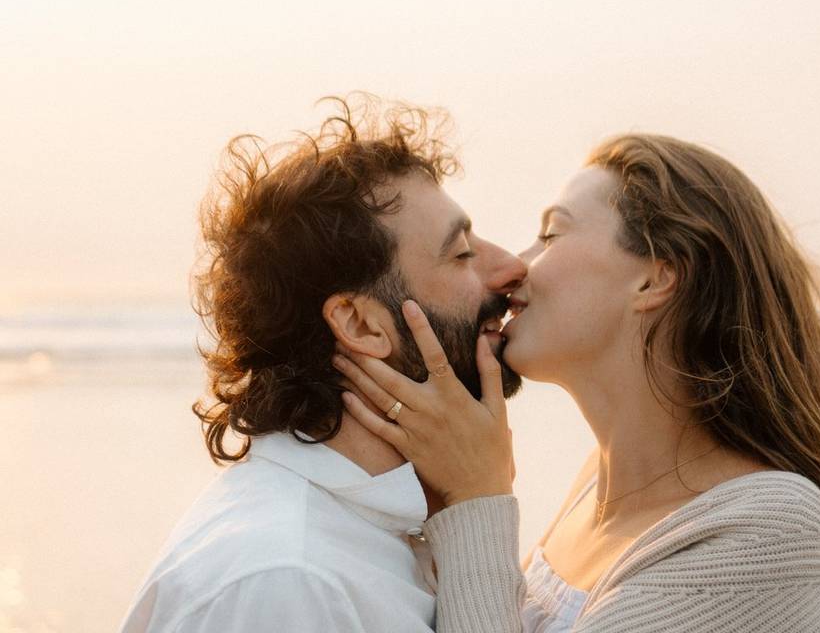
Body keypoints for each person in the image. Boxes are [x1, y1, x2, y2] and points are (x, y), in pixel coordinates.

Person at [336, 134, 820, 632]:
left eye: (552, 234)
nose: (517, 263)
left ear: (655, 279)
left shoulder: (770, 528)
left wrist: (477, 501)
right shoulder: (595, 488)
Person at [118, 95, 526, 632]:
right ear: (359, 325)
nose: (511, 267)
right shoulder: (287, 582)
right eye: (461, 254)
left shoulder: (381, 532)